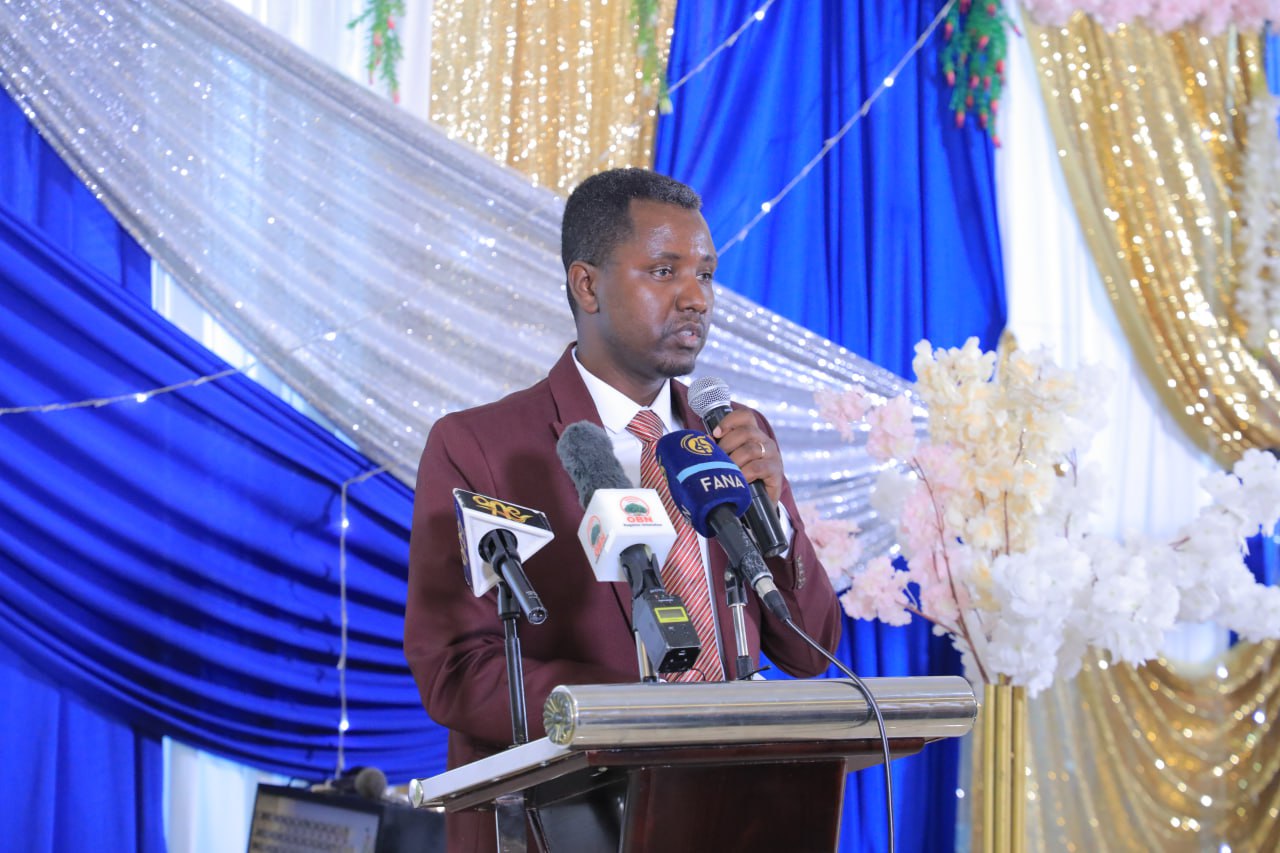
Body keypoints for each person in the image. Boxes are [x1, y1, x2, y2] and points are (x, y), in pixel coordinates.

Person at [404, 168, 841, 852]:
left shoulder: (733, 437)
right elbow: (455, 669)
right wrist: (649, 712)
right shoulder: (480, 446)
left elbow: (810, 648)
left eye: (705, 273)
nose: (696, 297)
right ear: (587, 286)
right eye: (664, 271)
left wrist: (772, 512)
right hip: (568, 822)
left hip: (740, 815)